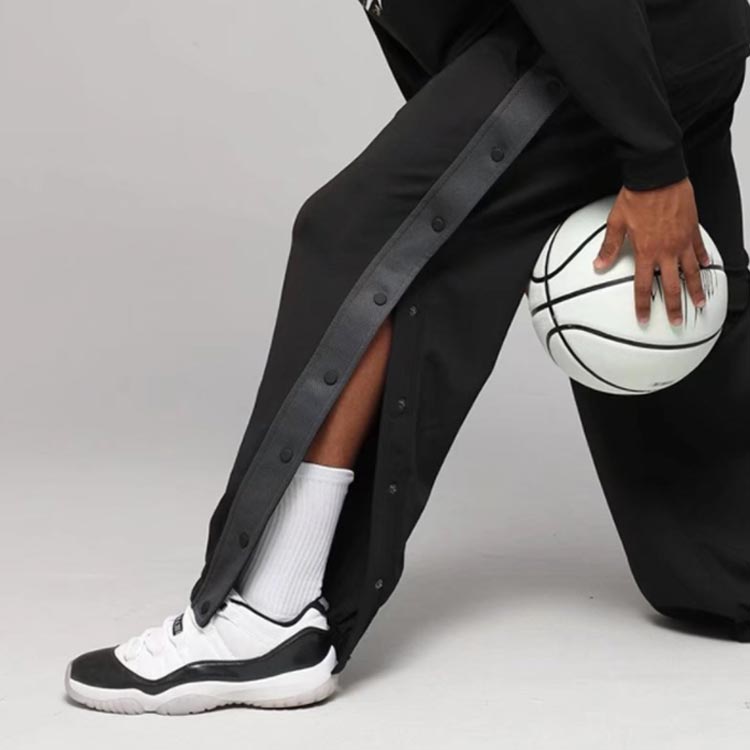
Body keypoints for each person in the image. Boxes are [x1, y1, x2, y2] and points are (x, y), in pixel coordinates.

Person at [64, 0, 750, 715]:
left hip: (611, 28)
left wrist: (653, 160)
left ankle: (266, 617)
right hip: (665, 31)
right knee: (673, 295)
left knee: (359, 238)